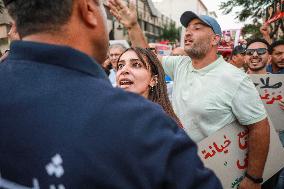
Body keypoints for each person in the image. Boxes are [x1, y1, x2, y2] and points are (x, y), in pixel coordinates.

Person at [0, 0, 222, 188]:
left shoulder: (150, 121)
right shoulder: (140, 125)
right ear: (88, 10)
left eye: (136, 65)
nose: (124, 70)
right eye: (122, 64)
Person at [107, 1, 270, 188]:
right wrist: (133, 26)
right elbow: (146, 59)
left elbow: (259, 127)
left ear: (215, 39)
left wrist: (253, 178)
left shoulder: (235, 78)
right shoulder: (181, 64)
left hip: (220, 173)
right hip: (183, 170)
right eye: (187, 29)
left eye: (197, 28)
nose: (188, 32)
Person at [116, 47, 183, 128]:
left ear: (153, 80)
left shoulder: (164, 125)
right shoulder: (109, 115)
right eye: (120, 65)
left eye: (136, 65)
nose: (124, 70)